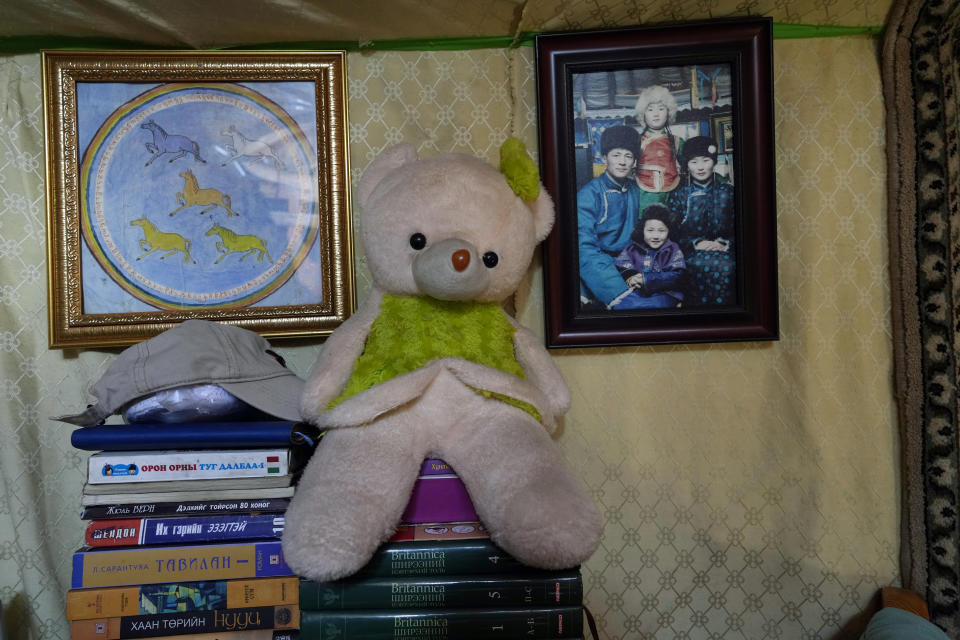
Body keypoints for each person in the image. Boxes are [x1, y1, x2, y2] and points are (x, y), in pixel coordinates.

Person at [577, 124, 653, 310]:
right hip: (598, 267)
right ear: (604, 158)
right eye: (616, 155)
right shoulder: (588, 195)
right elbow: (584, 250)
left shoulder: (636, 191)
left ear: (634, 161)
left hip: (630, 262)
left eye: (628, 156)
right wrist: (619, 292)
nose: (622, 162)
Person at [666, 135, 736, 306]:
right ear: (687, 165)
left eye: (705, 160)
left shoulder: (729, 192)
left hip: (726, 251)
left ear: (714, 161)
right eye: (694, 162)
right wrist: (696, 243)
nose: (700, 167)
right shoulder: (679, 195)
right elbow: (670, 234)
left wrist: (725, 244)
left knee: (730, 267)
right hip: (690, 252)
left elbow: (742, 228)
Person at [613, 203, 685, 308]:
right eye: (650, 230)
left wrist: (646, 279)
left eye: (661, 231)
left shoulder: (672, 249)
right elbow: (621, 266)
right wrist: (631, 278)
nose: (655, 236)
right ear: (642, 230)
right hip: (637, 291)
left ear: (669, 231)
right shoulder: (633, 247)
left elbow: (677, 275)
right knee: (622, 304)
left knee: (653, 306)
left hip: (665, 293)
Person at [634, 85, 683, 208]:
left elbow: (693, 165)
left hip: (672, 194)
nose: (656, 114)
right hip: (643, 195)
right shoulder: (636, 141)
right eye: (650, 109)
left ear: (668, 112)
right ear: (643, 114)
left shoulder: (677, 141)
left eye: (661, 109)